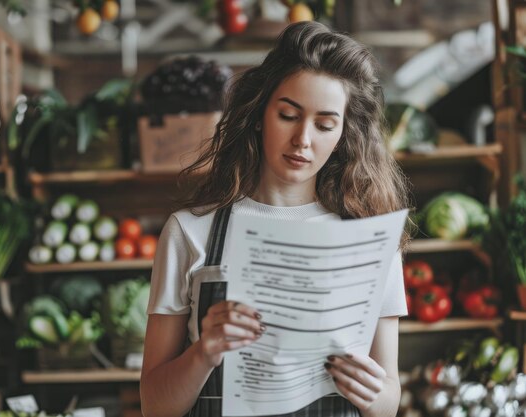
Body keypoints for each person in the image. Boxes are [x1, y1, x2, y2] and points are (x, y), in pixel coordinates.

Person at [140, 21, 411, 417]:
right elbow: (154, 407)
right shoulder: (189, 232)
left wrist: (374, 393)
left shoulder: (371, 240)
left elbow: (389, 400)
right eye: (288, 115)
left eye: (324, 124)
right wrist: (204, 353)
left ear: (343, 134)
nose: (303, 139)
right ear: (259, 112)